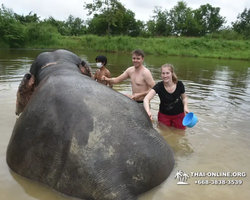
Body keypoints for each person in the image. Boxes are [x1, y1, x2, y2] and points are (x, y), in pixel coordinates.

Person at [143, 63, 189, 129]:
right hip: (164, 115)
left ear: (172, 73)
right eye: (163, 73)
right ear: (161, 74)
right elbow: (146, 98)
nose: (165, 76)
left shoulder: (179, 84)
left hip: (179, 114)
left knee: (181, 133)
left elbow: (184, 98)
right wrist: (148, 111)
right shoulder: (159, 86)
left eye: (167, 73)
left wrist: (185, 107)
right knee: (164, 133)